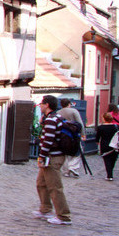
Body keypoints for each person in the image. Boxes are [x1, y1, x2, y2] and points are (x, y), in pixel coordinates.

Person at [33, 95, 72, 225]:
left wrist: (41, 157)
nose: (40, 106)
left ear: (47, 105)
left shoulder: (51, 120)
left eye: (42, 104)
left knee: (55, 187)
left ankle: (63, 216)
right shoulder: (54, 118)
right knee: (41, 183)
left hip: (53, 157)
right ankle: (45, 209)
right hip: (52, 156)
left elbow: (47, 140)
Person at [58, 98, 85, 178]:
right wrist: (83, 134)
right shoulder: (74, 111)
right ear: (69, 104)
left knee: (65, 153)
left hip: (62, 135)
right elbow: (80, 123)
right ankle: (72, 166)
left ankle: (66, 171)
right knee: (78, 151)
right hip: (74, 134)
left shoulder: (58, 113)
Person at [95, 112, 119, 181]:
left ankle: (109, 175)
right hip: (115, 145)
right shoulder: (116, 127)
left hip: (105, 145)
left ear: (104, 119)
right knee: (113, 160)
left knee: (107, 160)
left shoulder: (101, 127)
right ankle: (110, 172)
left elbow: (98, 137)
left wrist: (98, 142)